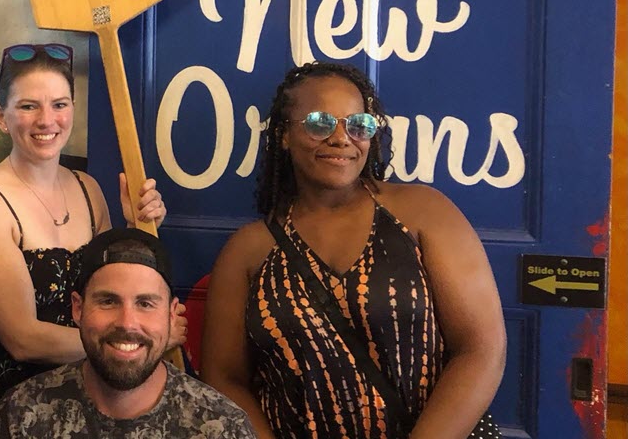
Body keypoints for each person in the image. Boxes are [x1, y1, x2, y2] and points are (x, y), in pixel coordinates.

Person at [200, 61, 506, 439]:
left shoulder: (423, 212)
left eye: (358, 125)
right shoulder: (249, 250)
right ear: (282, 134)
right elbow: (224, 378)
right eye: (319, 123)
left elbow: (481, 349)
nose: (341, 138)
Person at [0, 43, 182, 437]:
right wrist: (142, 344)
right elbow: (24, 339)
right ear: (1, 117)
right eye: (28, 106)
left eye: (59, 104)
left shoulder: (88, 188)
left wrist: (135, 227)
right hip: (14, 413)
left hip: (89, 402)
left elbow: (108, 293)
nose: (47, 120)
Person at [0, 227, 256, 439]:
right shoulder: (25, 413)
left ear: (172, 313)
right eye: (108, 301)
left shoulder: (220, 426)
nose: (127, 323)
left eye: (145, 304)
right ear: (78, 308)